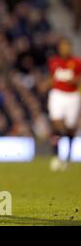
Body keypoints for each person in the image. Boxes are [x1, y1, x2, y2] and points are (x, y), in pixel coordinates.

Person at [47, 37, 81, 171]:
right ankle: (56, 156)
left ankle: (68, 156)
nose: (65, 49)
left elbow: (78, 80)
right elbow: (52, 78)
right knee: (56, 123)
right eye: (63, 46)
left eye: (67, 46)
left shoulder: (77, 62)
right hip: (57, 95)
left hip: (72, 96)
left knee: (70, 128)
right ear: (59, 48)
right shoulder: (53, 61)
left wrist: (74, 81)